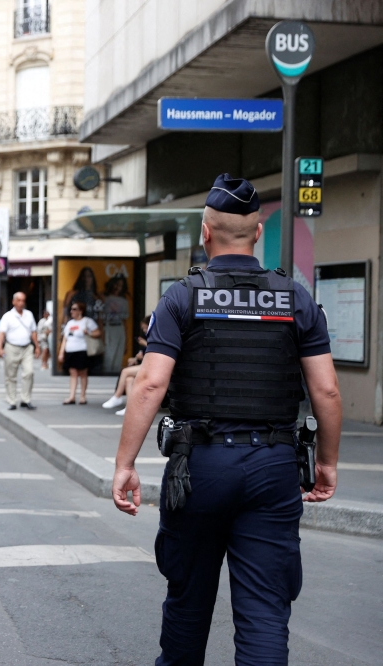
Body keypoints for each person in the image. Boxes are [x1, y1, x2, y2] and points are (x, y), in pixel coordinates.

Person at [111, 174, 342, 666]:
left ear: (204, 232)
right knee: (264, 612)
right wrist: (328, 463)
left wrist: (125, 464)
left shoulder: (182, 297)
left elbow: (150, 384)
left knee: (188, 603)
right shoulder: (295, 299)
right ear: (258, 234)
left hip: (200, 468)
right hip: (274, 467)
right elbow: (325, 389)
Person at [103, 315, 152, 415]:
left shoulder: (155, 336)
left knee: (125, 371)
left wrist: (145, 344)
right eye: (143, 328)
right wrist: (136, 358)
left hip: (153, 367)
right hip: (146, 364)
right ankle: (130, 407)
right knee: (129, 379)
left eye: (145, 328)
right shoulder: (149, 337)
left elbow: (156, 351)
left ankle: (117, 396)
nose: (144, 330)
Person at [0, 292, 38, 410]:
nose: (21, 303)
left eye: (23, 300)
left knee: (29, 372)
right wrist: (0, 348)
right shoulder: (7, 316)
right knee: (10, 375)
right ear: (14, 301)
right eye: (19, 300)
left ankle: (26, 399)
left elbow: (33, 332)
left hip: (27, 347)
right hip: (11, 347)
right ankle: (12, 401)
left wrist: (37, 346)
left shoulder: (29, 314)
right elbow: (1, 334)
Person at [57, 301, 101, 404]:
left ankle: (82, 396)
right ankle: (72, 396)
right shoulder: (70, 323)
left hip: (81, 349)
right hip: (70, 350)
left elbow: (98, 332)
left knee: (82, 373)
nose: (72, 311)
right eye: (71, 309)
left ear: (81, 311)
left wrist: (89, 332)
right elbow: (65, 339)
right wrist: (61, 352)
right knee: (73, 373)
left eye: (74, 309)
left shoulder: (87, 321)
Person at [102, 275, 130, 373]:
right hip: (108, 328)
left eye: (120, 286)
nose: (117, 287)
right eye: (116, 284)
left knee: (118, 359)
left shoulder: (124, 301)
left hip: (119, 328)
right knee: (108, 358)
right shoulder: (104, 298)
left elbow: (125, 321)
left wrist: (126, 341)